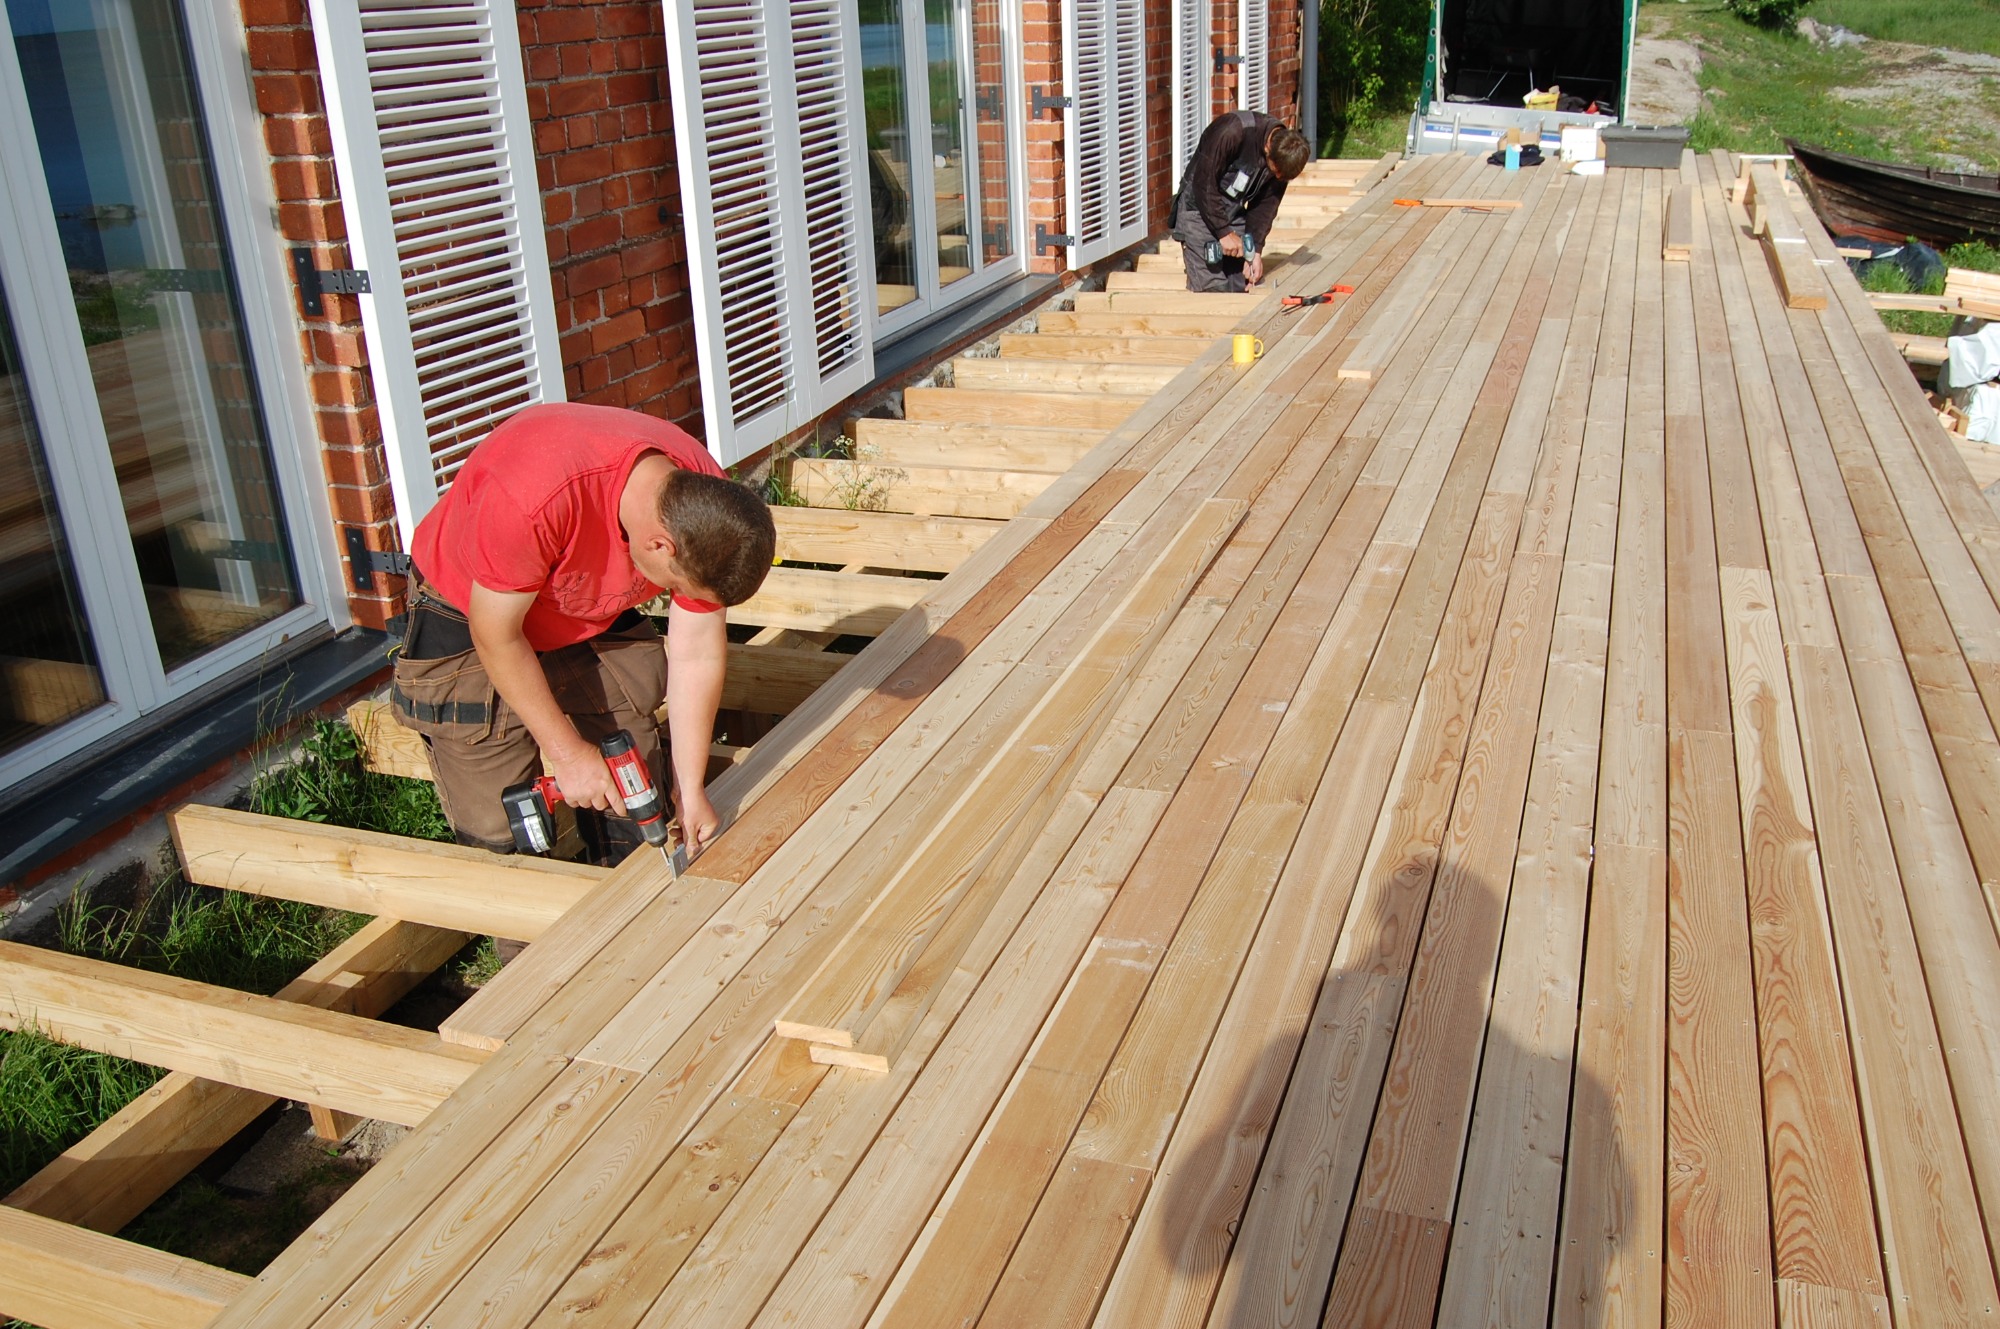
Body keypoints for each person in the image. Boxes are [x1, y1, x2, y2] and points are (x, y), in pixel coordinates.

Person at [390, 401, 775, 866]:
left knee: (637, 783)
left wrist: (689, 787)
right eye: (672, 585)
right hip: (472, 609)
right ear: (659, 544)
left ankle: (629, 897)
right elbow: (496, 636)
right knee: (501, 824)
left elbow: (696, 654)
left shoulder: (704, 502)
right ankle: (531, 929)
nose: (670, 594)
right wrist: (568, 756)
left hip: (577, 593)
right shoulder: (532, 498)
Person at [1172, 111, 1311, 293]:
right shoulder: (1233, 132)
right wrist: (1224, 233)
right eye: (1275, 171)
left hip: (1231, 211)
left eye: (1281, 177)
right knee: (1213, 289)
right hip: (1197, 208)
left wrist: (1256, 250)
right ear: (1268, 148)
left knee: (1245, 284)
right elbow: (1204, 184)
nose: (1277, 177)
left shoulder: (1283, 158)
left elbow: (1265, 207)